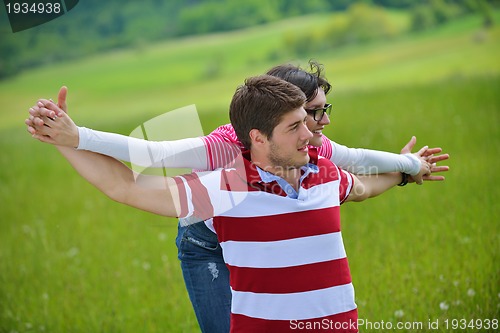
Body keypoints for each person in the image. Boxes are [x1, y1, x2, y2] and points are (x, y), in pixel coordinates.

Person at [26, 61, 448, 333]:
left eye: (316, 115)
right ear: (258, 135)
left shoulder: (321, 164)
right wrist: (70, 137)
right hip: (204, 240)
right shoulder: (226, 174)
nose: (317, 129)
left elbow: (362, 178)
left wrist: (409, 169)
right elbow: (141, 165)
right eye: (303, 119)